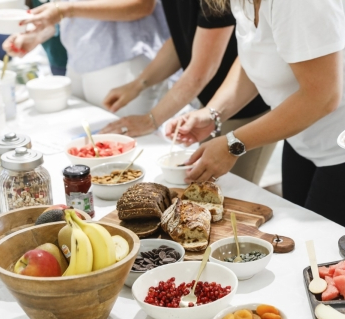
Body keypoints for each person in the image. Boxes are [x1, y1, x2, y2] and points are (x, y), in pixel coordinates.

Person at [169, 0, 345, 239]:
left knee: (328, 257)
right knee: (298, 240)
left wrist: (233, 144)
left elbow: (322, 97)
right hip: (308, 126)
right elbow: (255, 52)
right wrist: (214, 112)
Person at [98, 0, 273, 185]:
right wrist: (138, 84)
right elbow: (183, 37)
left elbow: (202, 70)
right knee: (201, 184)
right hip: (213, 105)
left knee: (234, 191)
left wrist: (151, 119)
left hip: (246, 107)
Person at [3, 0, 169, 116]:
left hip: (121, 59)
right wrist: (38, 35)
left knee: (128, 148)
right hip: (77, 61)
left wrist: (66, 9)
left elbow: (142, 5)